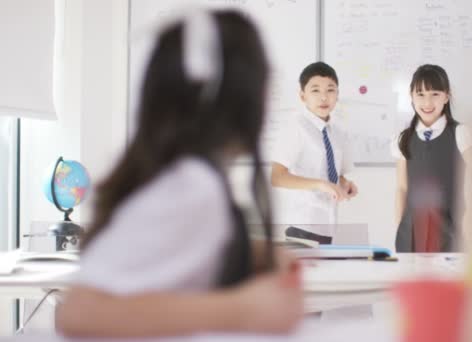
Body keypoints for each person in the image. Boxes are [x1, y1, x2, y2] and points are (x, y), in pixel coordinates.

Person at [55, 9, 302, 337]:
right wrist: (243, 309)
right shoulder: (192, 186)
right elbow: (79, 314)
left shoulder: (179, 176)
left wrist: (249, 251)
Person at [392, 64, 472, 252]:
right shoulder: (403, 138)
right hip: (410, 234)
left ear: (446, 96)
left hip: (449, 232)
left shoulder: (461, 134)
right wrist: (399, 229)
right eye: (420, 94)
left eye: (435, 94)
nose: (427, 102)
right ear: (411, 96)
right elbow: (402, 188)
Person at [270, 62, 357, 233]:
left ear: (337, 94)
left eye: (330, 90)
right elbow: (277, 177)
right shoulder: (295, 127)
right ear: (303, 96)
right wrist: (320, 184)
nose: (324, 97)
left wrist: (345, 184)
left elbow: (334, 173)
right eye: (315, 90)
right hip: (301, 225)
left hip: (329, 224)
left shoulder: (338, 132)